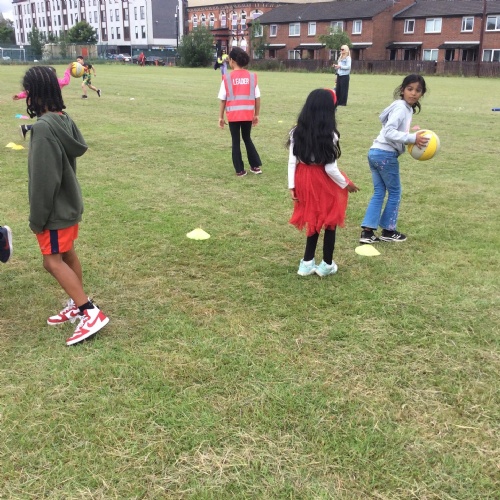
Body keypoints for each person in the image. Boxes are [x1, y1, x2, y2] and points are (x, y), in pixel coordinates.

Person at [22, 66, 109, 345]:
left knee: (52, 262)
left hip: (55, 211)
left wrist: (38, 218)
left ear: (35, 94)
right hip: (68, 205)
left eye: (28, 92)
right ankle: (77, 304)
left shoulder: (43, 128)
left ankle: (89, 312)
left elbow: (44, 180)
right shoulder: (63, 118)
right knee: (67, 253)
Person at [288, 89, 359, 277]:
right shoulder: (330, 134)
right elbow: (330, 169)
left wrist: (292, 185)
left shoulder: (296, 131)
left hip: (303, 178)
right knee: (330, 219)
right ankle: (326, 264)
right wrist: (346, 183)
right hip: (322, 180)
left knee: (312, 217)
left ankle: (307, 263)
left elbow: (292, 162)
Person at [359, 74, 429, 244]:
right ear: (402, 90)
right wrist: (412, 138)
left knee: (379, 191)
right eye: (410, 89)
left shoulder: (403, 107)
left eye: (418, 90)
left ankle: (367, 233)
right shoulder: (401, 108)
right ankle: (388, 231)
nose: (413, 93)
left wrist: (409, 135)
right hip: (385, 155)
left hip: (375, 152)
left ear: (422, 94)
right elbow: (389, 132)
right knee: (395, 192)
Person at [218, 47, 262, 177]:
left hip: (233, 115)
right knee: (247, 138)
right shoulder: (252, 77)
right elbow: (257, 97)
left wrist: (220, 117)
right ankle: (255, 166)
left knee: (235, 141)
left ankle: (239, 170)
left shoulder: (227, 78)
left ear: (232, 61)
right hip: (247, 114)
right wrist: (256, 114)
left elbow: (223, 100)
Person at [13, 63, 73, 140]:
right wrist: (19, 96)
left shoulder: (56, 82)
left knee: (53, 122)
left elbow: (66, 81)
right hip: (42, 108)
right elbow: (31, 91)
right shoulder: (41, 84)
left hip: (53, 107)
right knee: (46, 123)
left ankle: (26, 128)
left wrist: (68, 70)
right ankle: (27, 128)